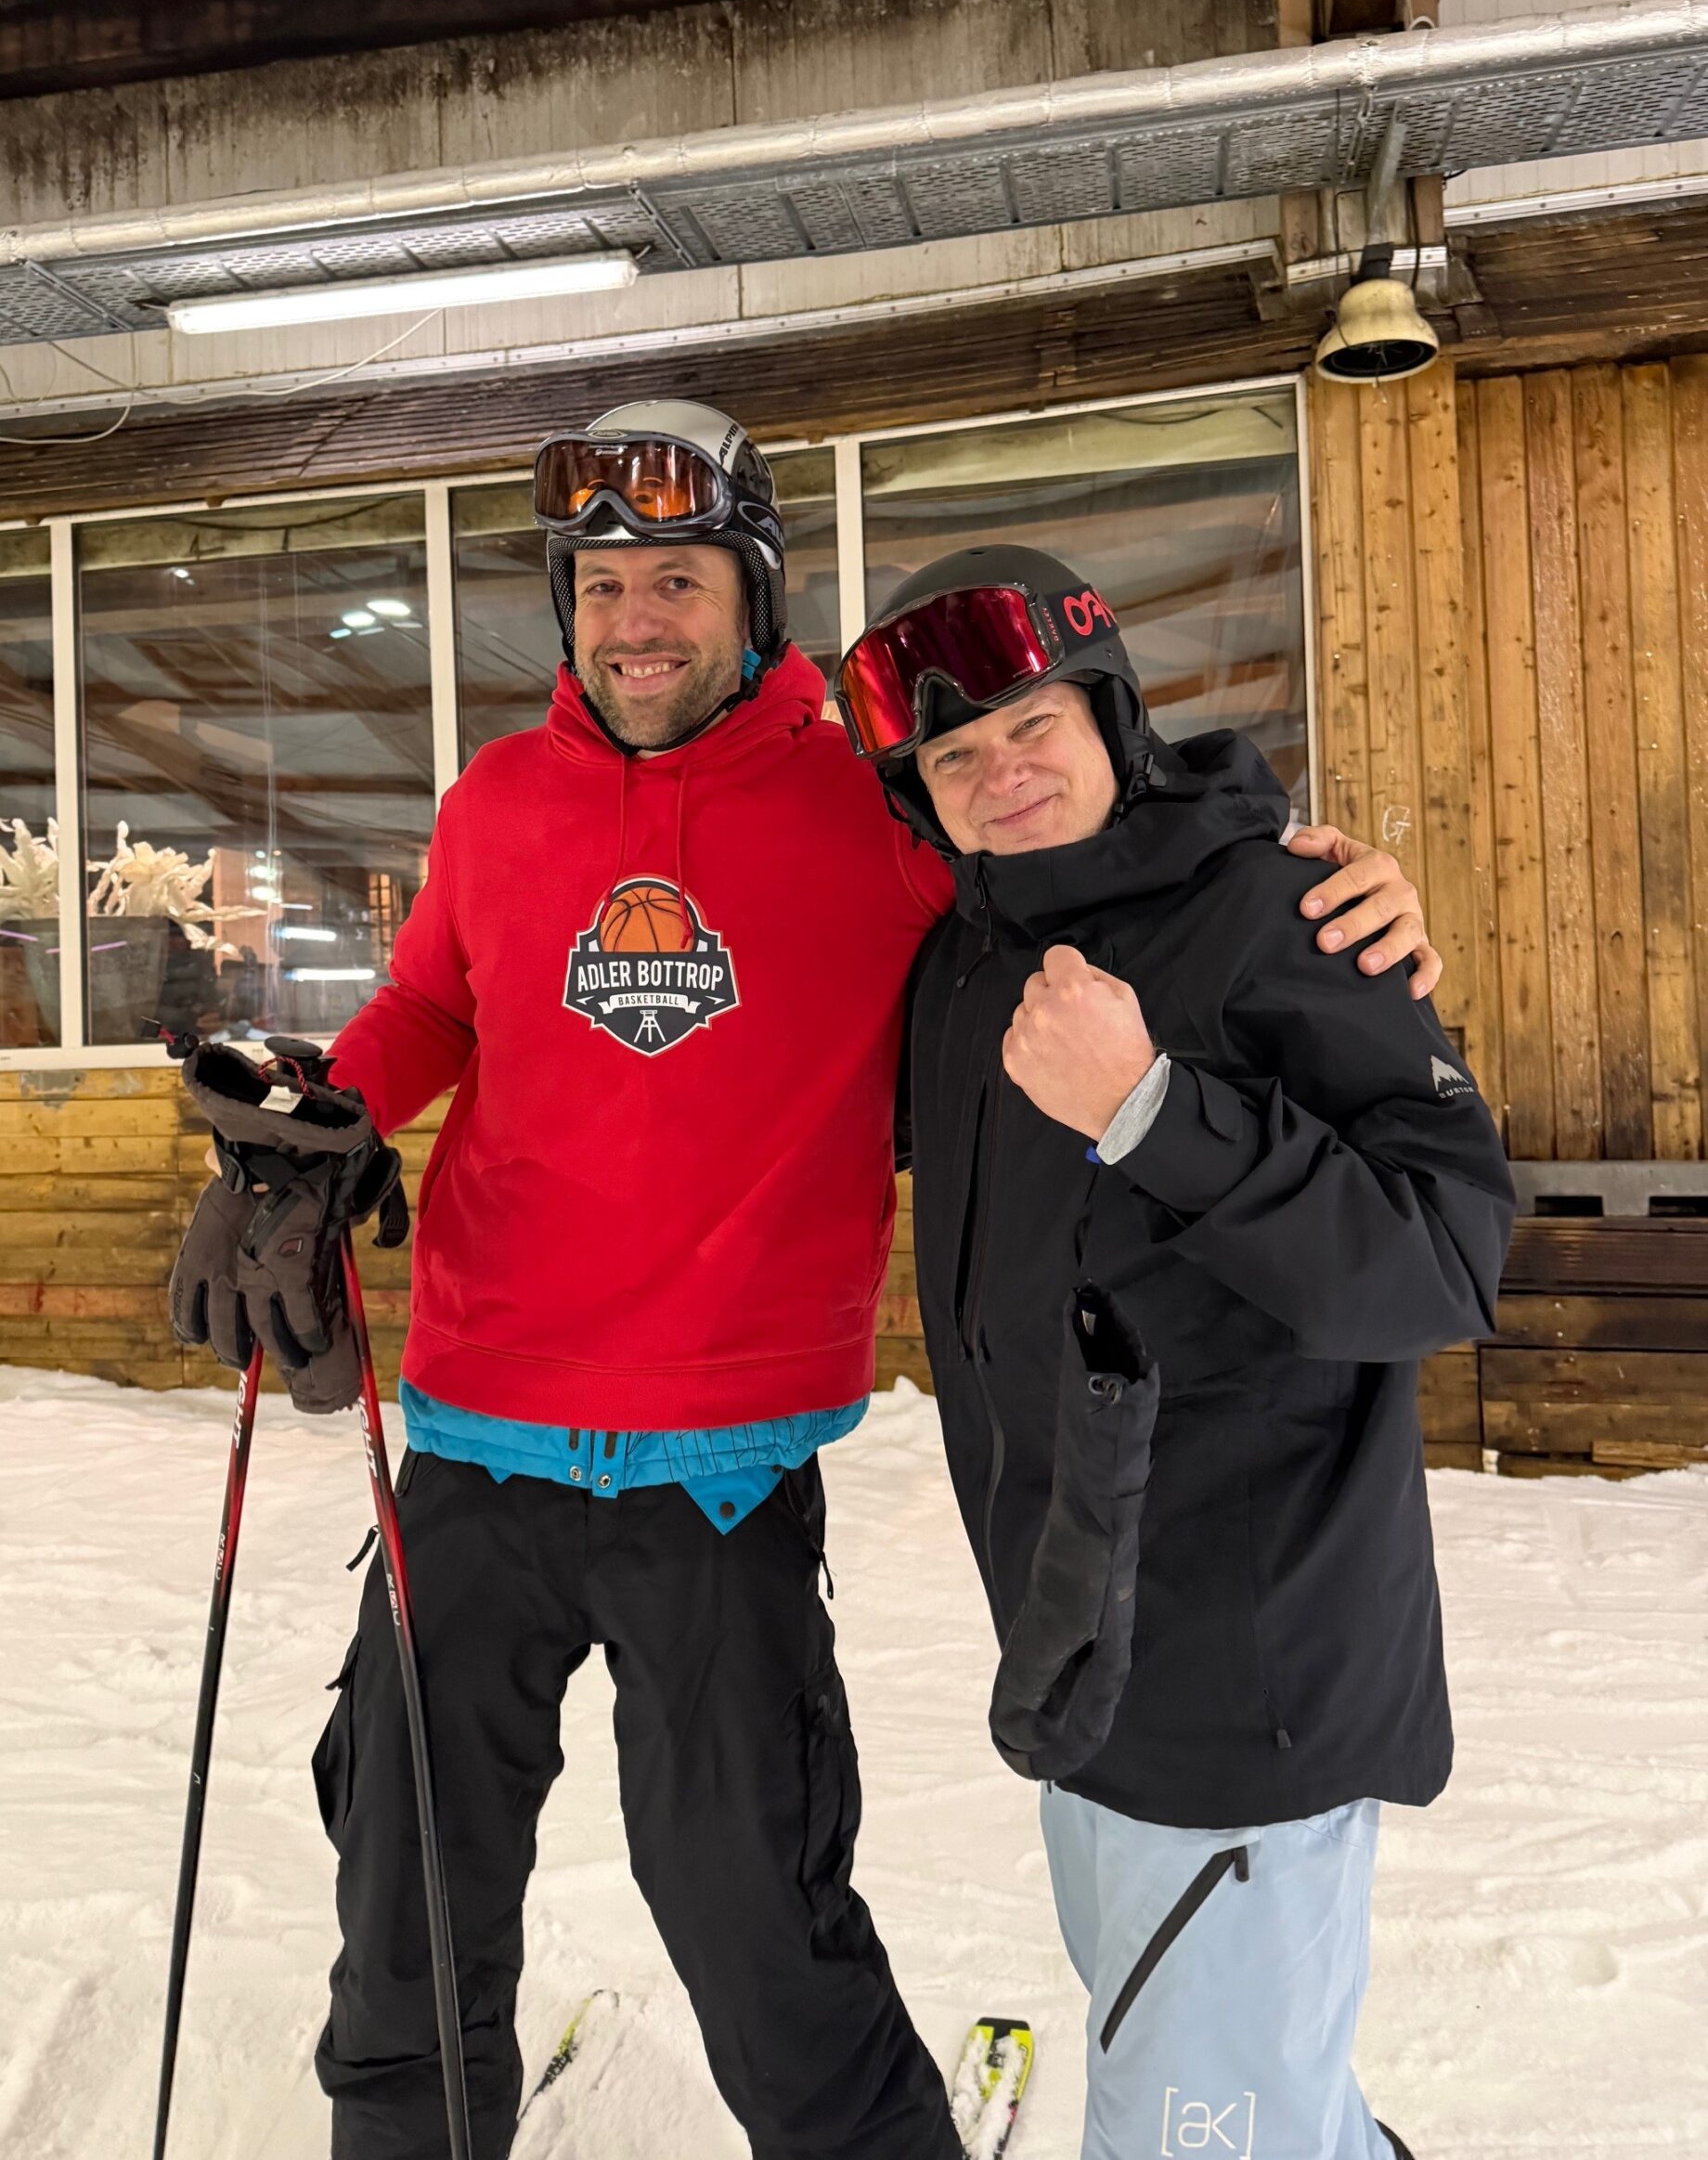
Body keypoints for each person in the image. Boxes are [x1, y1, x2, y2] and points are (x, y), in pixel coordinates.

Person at [168, 404, 1443, 2160]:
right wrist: (331, 1116)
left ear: (756, 596)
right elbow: (435, 1003)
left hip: (724, 1471)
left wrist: (1325, 888)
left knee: (756, 1916)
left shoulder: (880, 810)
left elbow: (1089, 851)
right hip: (471, 1446)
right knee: (405, 1894)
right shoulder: (496, 802)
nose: (635, 622)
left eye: (678, 582)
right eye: (600, 587)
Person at [835, 544, 1516, 2160]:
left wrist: (1154, 1110)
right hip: (1084, 1659)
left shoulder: (1281, 912)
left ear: (1113, 716)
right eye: (954, 757)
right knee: (1249, 2096)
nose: (1001, 775)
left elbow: (1442, 1257)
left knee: (1202, 2125)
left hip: (1246, 1685)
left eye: (1032, 727)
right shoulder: (963, 965)